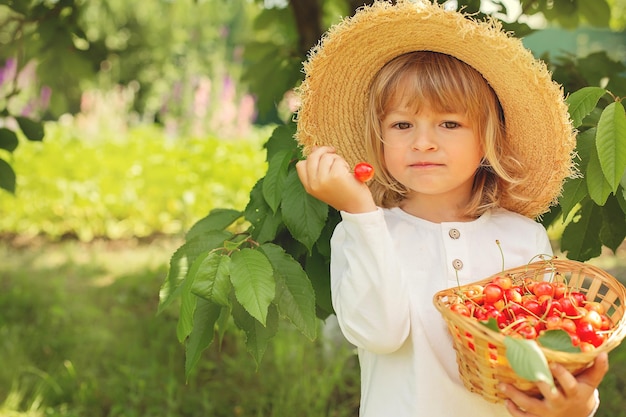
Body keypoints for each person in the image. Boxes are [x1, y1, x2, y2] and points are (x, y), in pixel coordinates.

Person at [294, 1, 609, 416]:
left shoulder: (522, 237)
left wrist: (579, 405)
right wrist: (358, 211)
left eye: (449, 123)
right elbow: (380, 334)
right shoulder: (363, 230)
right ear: (380, 138)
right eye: (402, 125)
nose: (423, 142)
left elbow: (546, 349)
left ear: (488, 139)